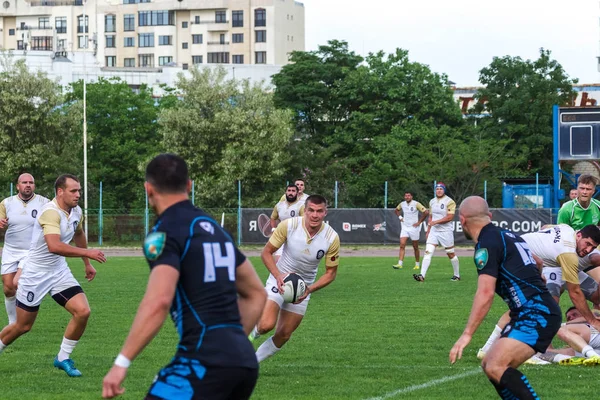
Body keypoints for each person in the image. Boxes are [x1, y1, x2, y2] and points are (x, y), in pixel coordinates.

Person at [102, 154, 266, 400]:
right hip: (243, 362)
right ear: (189, 185)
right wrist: (232, 345)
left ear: (148, 189)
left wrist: (121, 363)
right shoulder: (216, 230)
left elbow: (158, 301)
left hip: (203, 361)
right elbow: (256, 293)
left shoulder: (162, 233)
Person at [449, 196, 561, 399]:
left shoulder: (486, 244)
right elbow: (536, 261)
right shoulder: (508, 234)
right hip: (531, 310)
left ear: (462, 220)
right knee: (490, 364)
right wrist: (538, 278)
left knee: (496, 365)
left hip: (536, 312)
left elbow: (485, 292)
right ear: (490, 216)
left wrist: (467, 334)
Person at [0, 174, 106, 377]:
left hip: (58, 271)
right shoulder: (50, 212)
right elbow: (54, 246)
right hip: (35, 274)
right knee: (22, 326)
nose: (78, 195)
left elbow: (78, 233)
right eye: (73, 191)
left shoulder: (76, 211)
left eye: (79, 190)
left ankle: (63, 357)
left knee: (82, 311)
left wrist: (87, 264)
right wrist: (87, 253)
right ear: (60, 191)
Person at [477, 224, 600, 360]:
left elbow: (545, 227)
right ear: (578, 236)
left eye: (593, 247)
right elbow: (575, 293)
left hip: (534, 259)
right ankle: (526, 351)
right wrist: (592, 321)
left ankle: (492, 348)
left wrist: (539, 264)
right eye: (587, 244)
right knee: (534, 306)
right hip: (520, 260)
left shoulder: (567, 229)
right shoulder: (568, 253)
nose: (588, 249)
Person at [249, 195, 340, 362]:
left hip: (303, 289)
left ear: (325, 213)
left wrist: (309, 289)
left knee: (284, 334)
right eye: (311, 210)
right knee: (265, 325)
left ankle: (250, 363)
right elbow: (266, 253)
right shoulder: (289, 225)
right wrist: (278, 275)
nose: (314, 215)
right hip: (279, 280)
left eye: (319, 211)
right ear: (305, 211)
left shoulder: (331, 237)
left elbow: (331, 273)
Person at [0, 173, 50, 325]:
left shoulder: (44, 203)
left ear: (34, 185)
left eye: (31, 182)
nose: (28, 185)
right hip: (10, 249)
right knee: (8, 288)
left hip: (31, 251)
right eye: (24, 182)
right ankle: (13, 322)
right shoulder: (6, 203)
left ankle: (24, 317)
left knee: (17, 283)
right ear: (18, 186)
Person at [413, 182, 460, 282]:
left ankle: (457, 275)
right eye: (437, 189)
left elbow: (450, 217)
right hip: (434, 231)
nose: (439, 190)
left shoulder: (449, 201)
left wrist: (436, 222)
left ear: (444, 190)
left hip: (445, 231)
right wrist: (429, 229)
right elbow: (430, 216)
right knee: (427, 252)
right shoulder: (432, 201)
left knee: (450, 253)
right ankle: (422, 275)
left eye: (441, 189)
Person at [392, 192, 428, 270]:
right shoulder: (402, 204)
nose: (407, 197)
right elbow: (396, 210)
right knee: (402, 244)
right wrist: (400, 217)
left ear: (411, 196)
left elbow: (426, 212)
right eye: (406, 196)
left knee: (415, 247)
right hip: (405, 227)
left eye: (408, 195)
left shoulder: (416, 204)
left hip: (414, 228)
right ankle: (400, 264)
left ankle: (417, 264)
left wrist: (419, 222)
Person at [271, 184, 305, 263]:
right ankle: (279, 274)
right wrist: (273, 229)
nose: (291, 193)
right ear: (285, 192)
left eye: (293, 191)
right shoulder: (279, 205)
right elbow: (273, 218)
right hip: (281, 236)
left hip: (295, 237)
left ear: (297, 193)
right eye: (289, 190)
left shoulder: (301, 205)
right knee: (278, 261)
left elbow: (304, 221)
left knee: (294, 262)